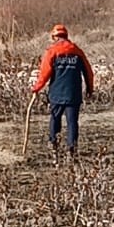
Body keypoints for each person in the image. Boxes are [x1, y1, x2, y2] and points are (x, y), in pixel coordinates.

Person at [30, 23, 94, 158]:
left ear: (54, 37)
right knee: (72, 122)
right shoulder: (77, 50)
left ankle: (54, 146)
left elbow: (44, 74)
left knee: (55, 119)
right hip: (73, 93)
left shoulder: (51, 51)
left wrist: (36, 88)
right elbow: (88, 72)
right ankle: (72, 149)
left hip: (56, 94)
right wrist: (89, 88)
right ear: (66, 36)